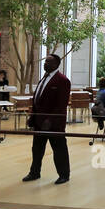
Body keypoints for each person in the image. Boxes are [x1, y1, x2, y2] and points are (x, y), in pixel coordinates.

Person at [23, 52, 71, 184]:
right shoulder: (44, 78)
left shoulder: (63, 81)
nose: (45, 63)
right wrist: (32, 117)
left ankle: (64, 175)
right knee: (37, 149)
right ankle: (34, 172)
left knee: (59, 149)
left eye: (48, 62)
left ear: (56, 64)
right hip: (39, 122)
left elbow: (61, 105)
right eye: (45, 61)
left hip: (54, 124)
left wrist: (50, 120)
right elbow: (37, 100)